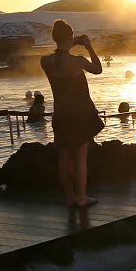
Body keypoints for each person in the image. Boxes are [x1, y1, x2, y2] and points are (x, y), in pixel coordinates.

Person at [40, 19, 104, 208]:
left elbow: (60, 55)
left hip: (60, 113)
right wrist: (89, 47)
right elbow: (98, 69)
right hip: (80, 113)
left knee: (65, 157)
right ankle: (82, 197)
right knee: (80, 157)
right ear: (70, 37)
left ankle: (70, 197)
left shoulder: (45, 61)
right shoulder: (78, 61)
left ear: (54, 38)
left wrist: (69, 43)